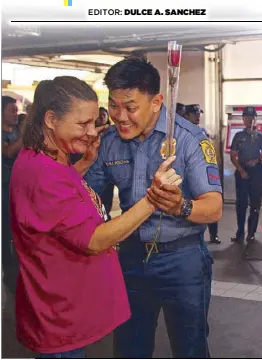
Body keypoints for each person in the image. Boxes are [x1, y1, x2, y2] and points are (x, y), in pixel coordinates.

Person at [9, 76, 182, 358]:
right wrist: (153, 199)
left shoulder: (50, 159)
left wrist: (85, 163)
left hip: (66, 308)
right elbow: (93, 240)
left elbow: (56, 203)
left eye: (94, 122)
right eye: (83, 124)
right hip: (60, 318)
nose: (92, 132)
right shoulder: (43, 172)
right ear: (51, 119)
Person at [84, 57, 223, 358]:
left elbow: (213, 208)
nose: (120, 116)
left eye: (130, 107)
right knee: (129, 348)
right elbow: (90, 200)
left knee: (190, 348)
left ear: (157, 101)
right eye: (114, 106)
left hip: (181, 260)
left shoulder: (188, 140)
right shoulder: (108, 142)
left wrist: (181, 206)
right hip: (130, 258)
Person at [230, 106, 262, 243]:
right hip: (242, 171)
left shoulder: (261, 137)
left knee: (255, 204)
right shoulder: (238, 136)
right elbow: (233, 155)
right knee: (241, 204)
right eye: (246, 117)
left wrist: (257, 160)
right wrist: (241, 170)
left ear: (255, 119)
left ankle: (251, 233)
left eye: (252, 118)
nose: (249, 120)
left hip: (256, 172)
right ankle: (240, 232)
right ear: (243, 119)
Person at [182, 103, 221, 244]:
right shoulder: (182, 134)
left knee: (210, 201)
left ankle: (213, 234)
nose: (198, 116)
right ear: (186, 115)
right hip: (188, 175)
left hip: (204, 172)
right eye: (195, 113)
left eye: (199, 114)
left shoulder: (202, 132)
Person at [2, 95, 22, 294]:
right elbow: (7, 153)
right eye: (11, 110)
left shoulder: (16, 131)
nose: (15, 114)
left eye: (16, 111)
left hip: (16, 191)